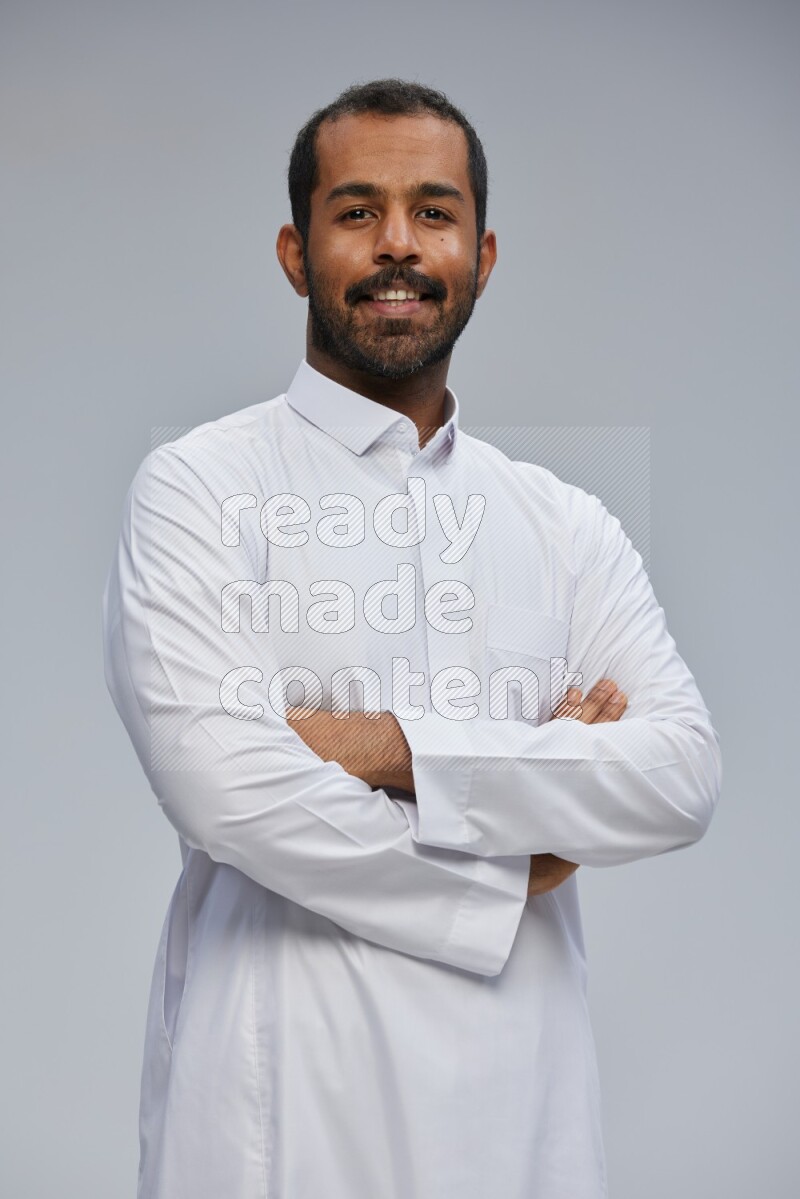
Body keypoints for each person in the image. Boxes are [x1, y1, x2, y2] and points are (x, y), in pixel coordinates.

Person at [102, 79, 722, 1199]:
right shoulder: (198, 488)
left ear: (482, 255)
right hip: (280, 1107)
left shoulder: (564, 523)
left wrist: (374, 747)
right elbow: (223, 783)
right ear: (295, 253)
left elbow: (677, 775)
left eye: (433, 211)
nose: (398, 242)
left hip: (522, 1110)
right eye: (357, 211)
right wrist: (522, 847)